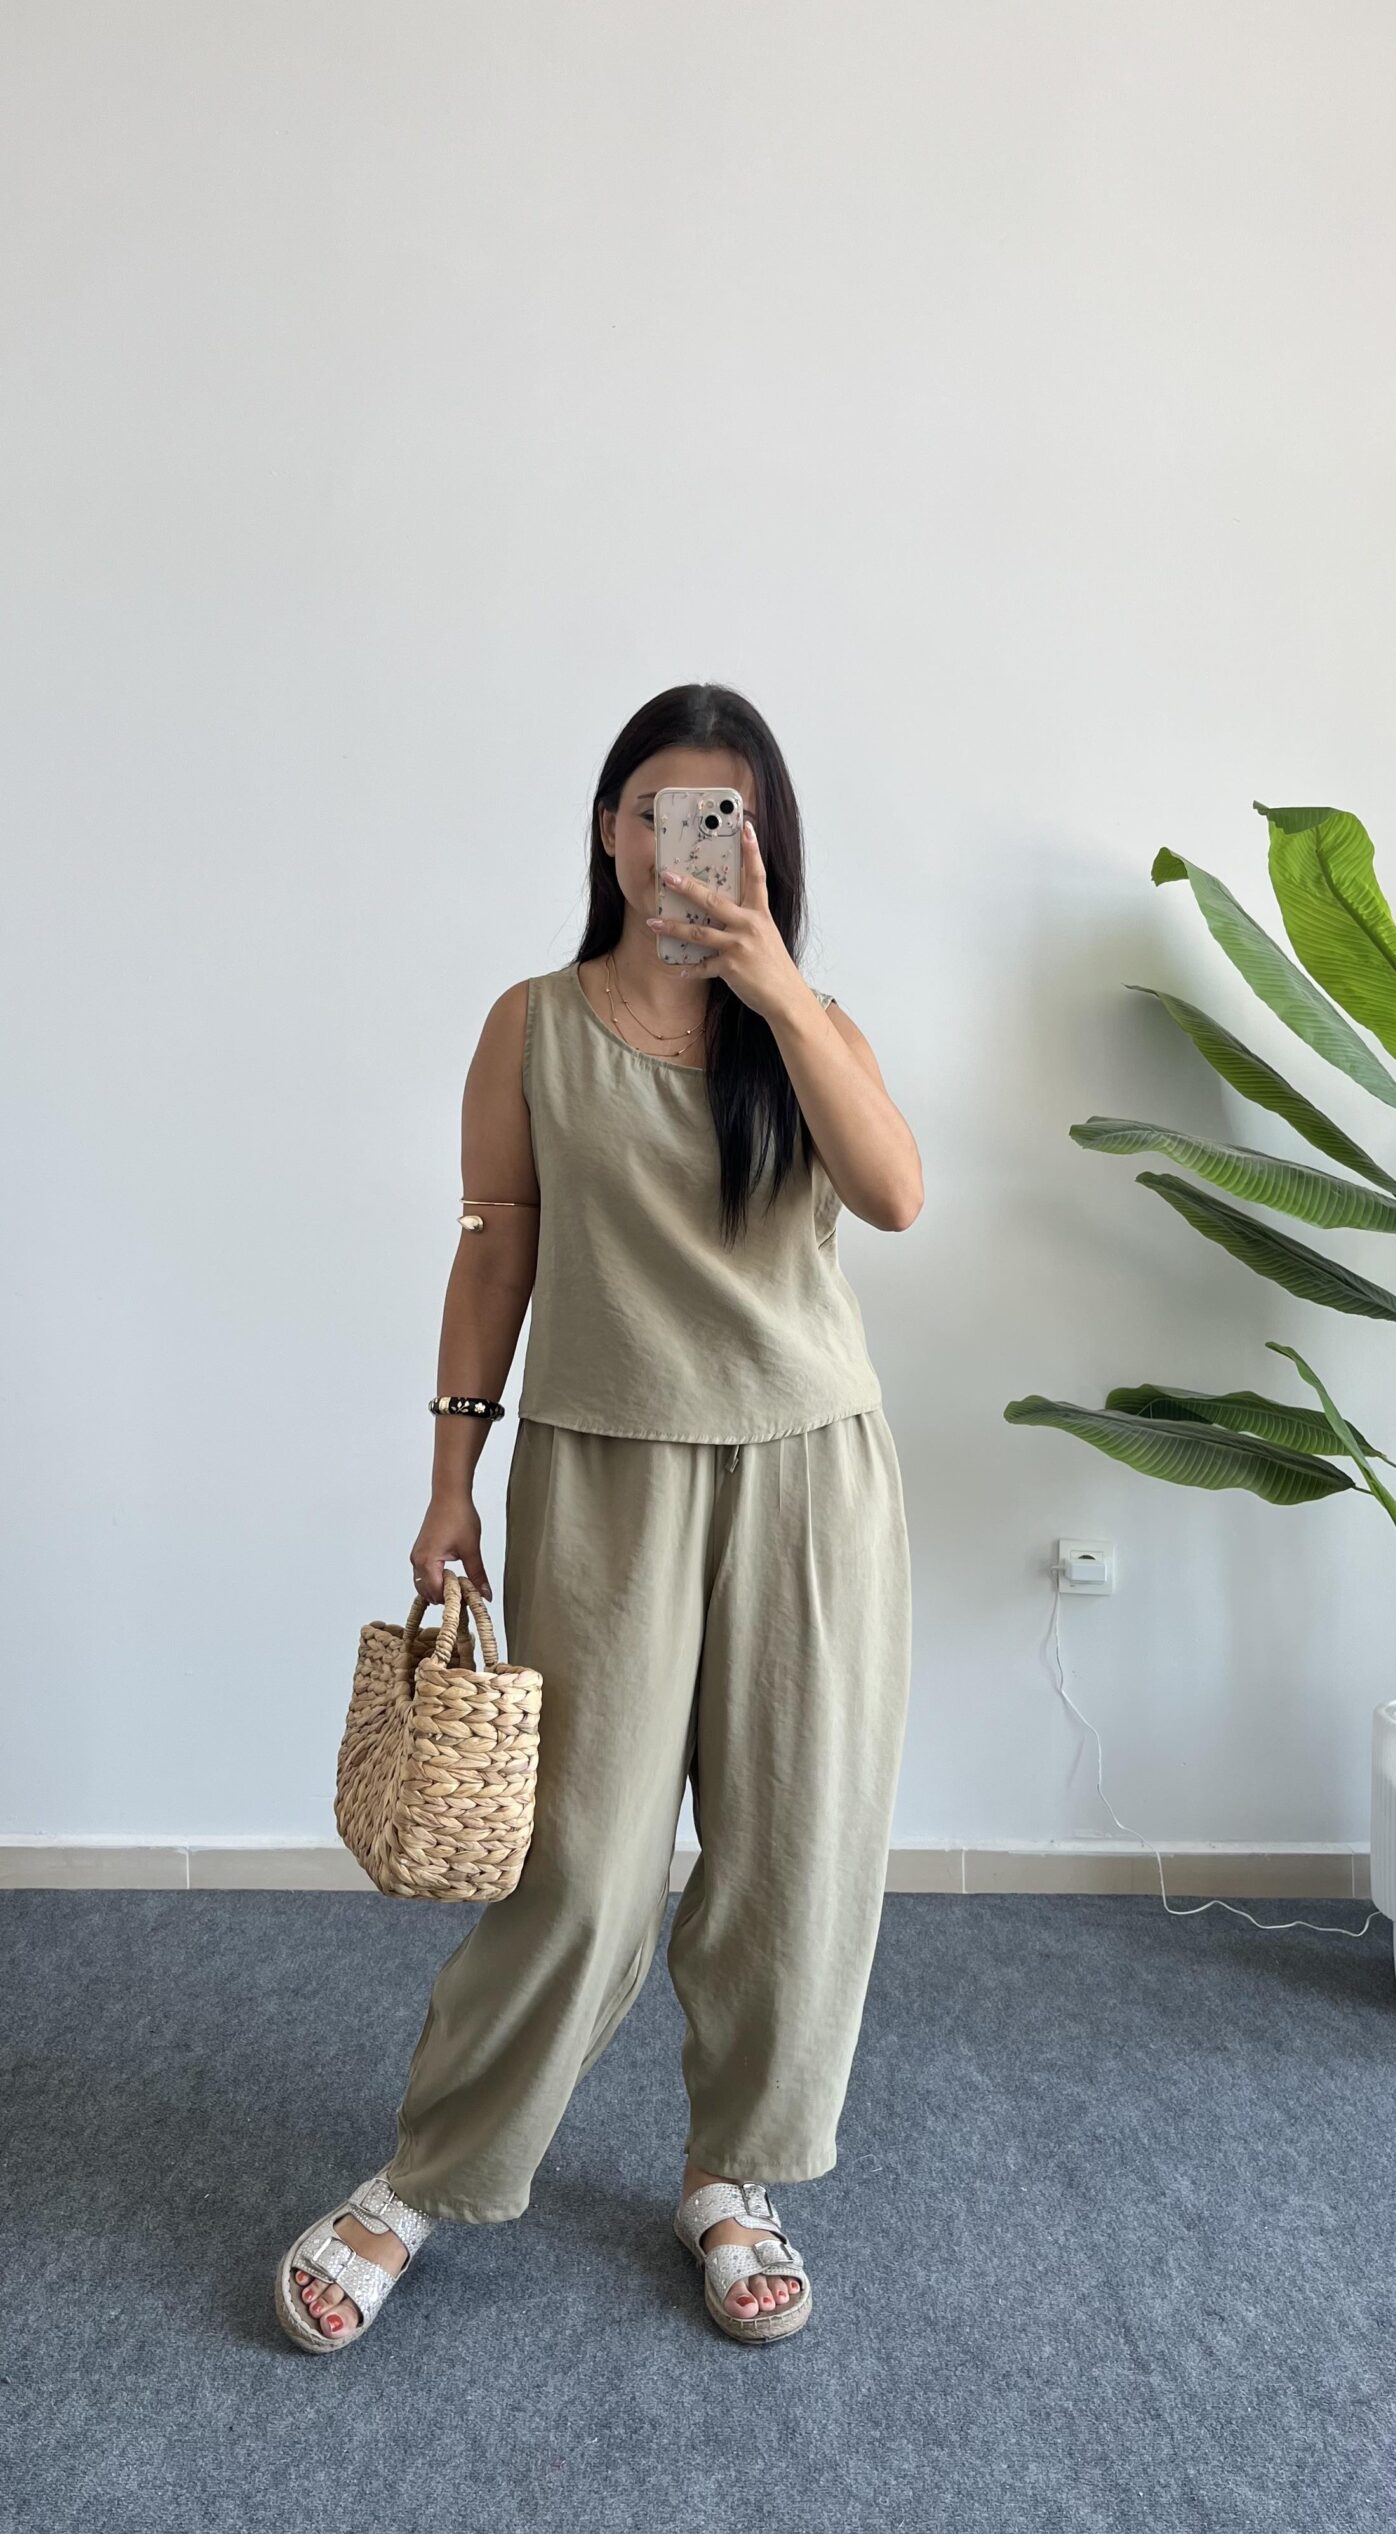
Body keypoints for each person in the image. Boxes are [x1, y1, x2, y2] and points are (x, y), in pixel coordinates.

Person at [274, 680, 923, 2353]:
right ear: (610, 831)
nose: (684, 842)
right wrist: (448, 1483)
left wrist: (776, 990)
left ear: (764, 843)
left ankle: (734, 2177)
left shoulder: (810, 1024)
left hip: (810, 1476)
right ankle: (428, 2174)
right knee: (578, 1863)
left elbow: (897, 1196)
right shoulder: (534, 1024)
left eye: (724, 816)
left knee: (794, 1853)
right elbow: (495, 1245)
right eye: (659, 809)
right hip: (603, 1473)